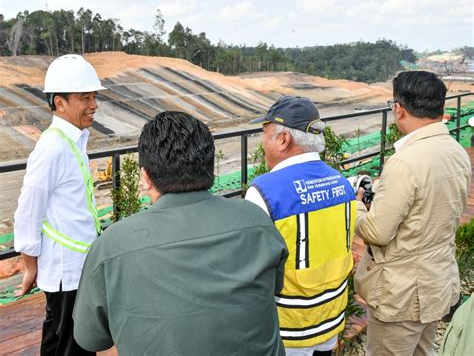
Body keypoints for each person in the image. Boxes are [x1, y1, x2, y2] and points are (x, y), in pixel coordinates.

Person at [73, 111, 288, 356]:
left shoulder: (111, 246)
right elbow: (274, 287)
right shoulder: (256, 221)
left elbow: (91, 339)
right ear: (210, 169)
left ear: (145, 177)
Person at [354, 71, 471, 356]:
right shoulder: (455, 151)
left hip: (401, 294)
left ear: (399, 108)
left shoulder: (404, 163)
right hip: (436, 281)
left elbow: (377, 233)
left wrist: (356, 204)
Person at [245, 95, 356, 356]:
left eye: (266, 136)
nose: (263, 145)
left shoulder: (264, 191)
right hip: (331, 320)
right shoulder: (341, 183)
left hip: (289, 331)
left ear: (284, 140)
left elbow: (251, 267)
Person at [14, 54, 106, 355]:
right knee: (69, 344)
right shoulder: (52, 148)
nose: (93, 105)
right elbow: (29, 208)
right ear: (59, 103)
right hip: (67, 270)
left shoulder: (74, 140)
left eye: (94, 97)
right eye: (84, 98)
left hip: (79, 266)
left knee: (64, 341)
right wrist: (30, 266)